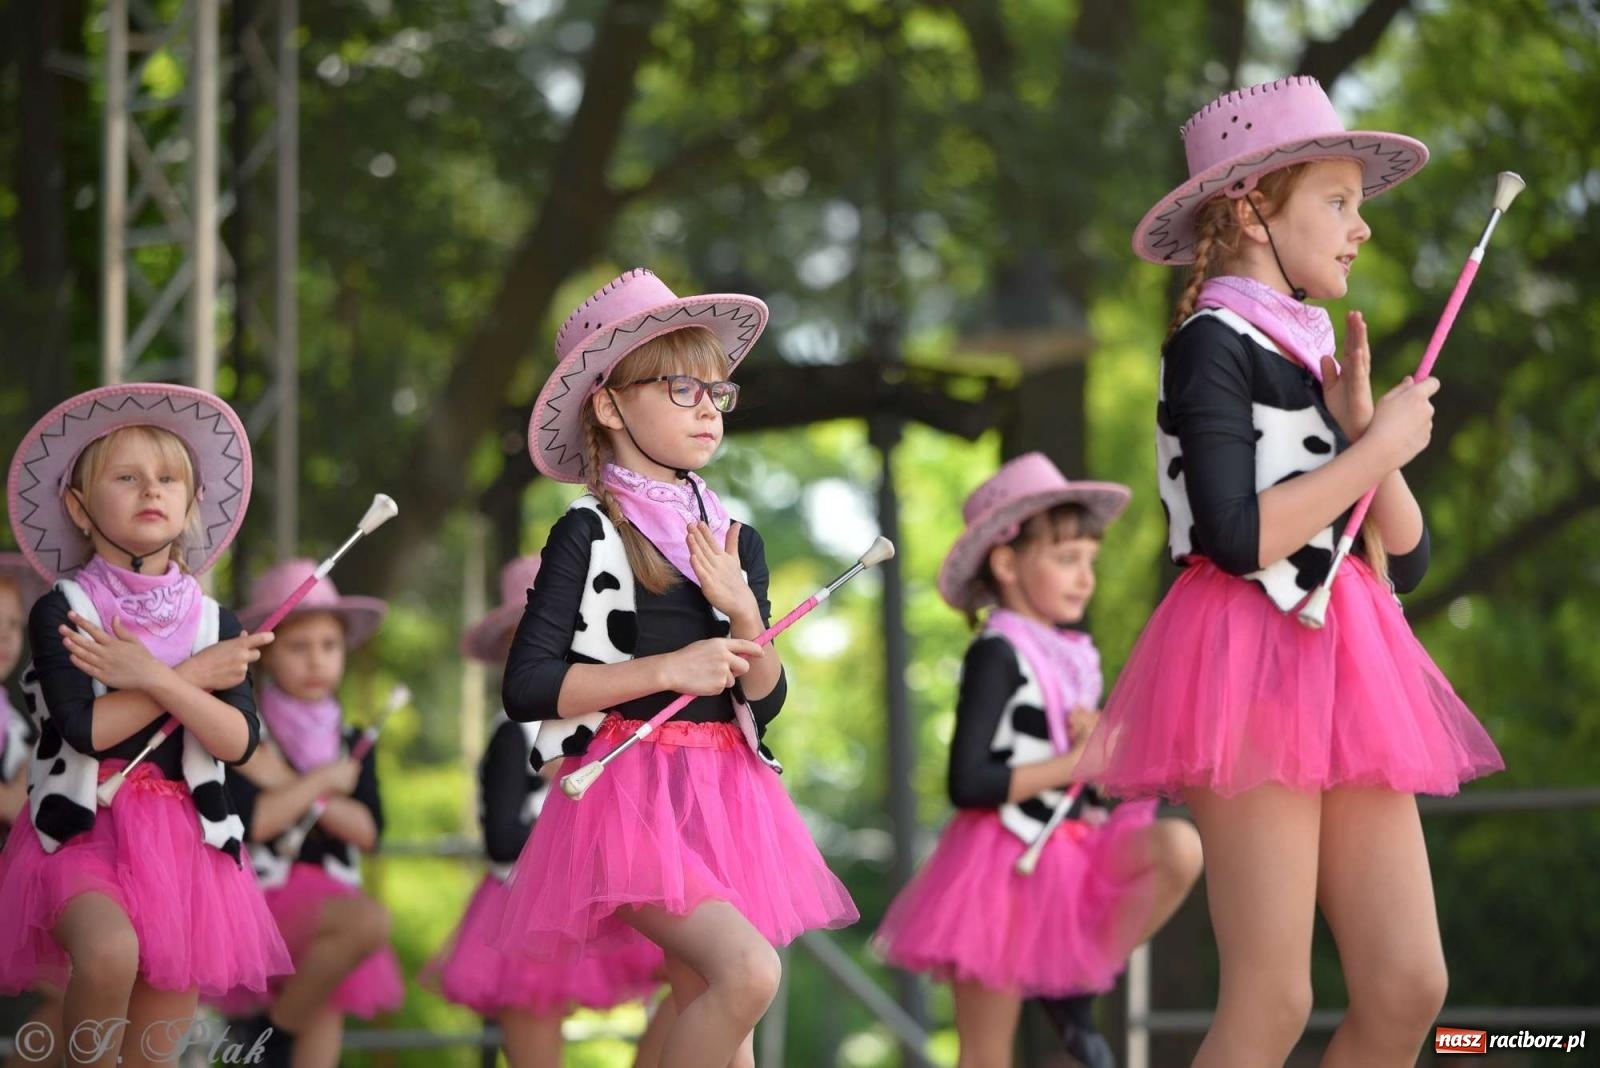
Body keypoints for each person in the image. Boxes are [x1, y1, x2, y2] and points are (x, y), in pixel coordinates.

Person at [1076, 76, 1504, 1067]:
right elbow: (1234, 535)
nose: (1361, 228)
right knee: (1271, 1000)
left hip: (1354, 658)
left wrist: (1368, 432)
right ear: (1249, 207)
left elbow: (1409, 551)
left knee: (1409, 986)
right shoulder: (1208, 346)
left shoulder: (1319, 356)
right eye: (1337, 201)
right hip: (1244, 660)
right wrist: (1373, 446)